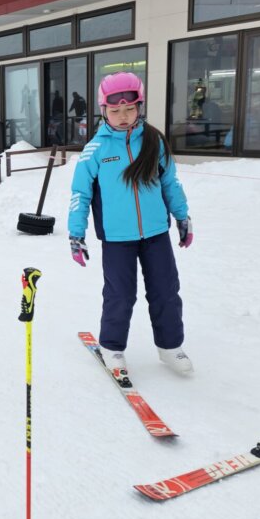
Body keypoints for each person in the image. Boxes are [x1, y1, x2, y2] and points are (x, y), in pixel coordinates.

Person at [67, 72, 194, 376]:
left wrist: (182, 216)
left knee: (166, 290)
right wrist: (76, 234)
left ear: (140, 107)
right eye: (115, 110)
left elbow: (170, 182)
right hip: (117, 237)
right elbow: (80, 194)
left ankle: (170, 347)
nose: (123, 116)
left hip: (156, 233)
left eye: (129, 109)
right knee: (120, 295)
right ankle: (112, 348)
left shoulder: (153, 141)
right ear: (104, 110)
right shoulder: (96, 150)